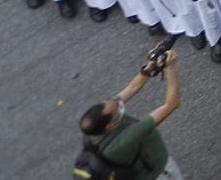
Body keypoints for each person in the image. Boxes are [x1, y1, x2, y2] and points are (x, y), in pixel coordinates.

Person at [77, 45, 182, 179]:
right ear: (111, 125)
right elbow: (171, 104)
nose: (117, 103)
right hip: (156, 174)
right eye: (116, 109)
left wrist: (149, 69)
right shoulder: (124, 141)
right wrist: (170, 68)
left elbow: (132, 87)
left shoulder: (97, 124)